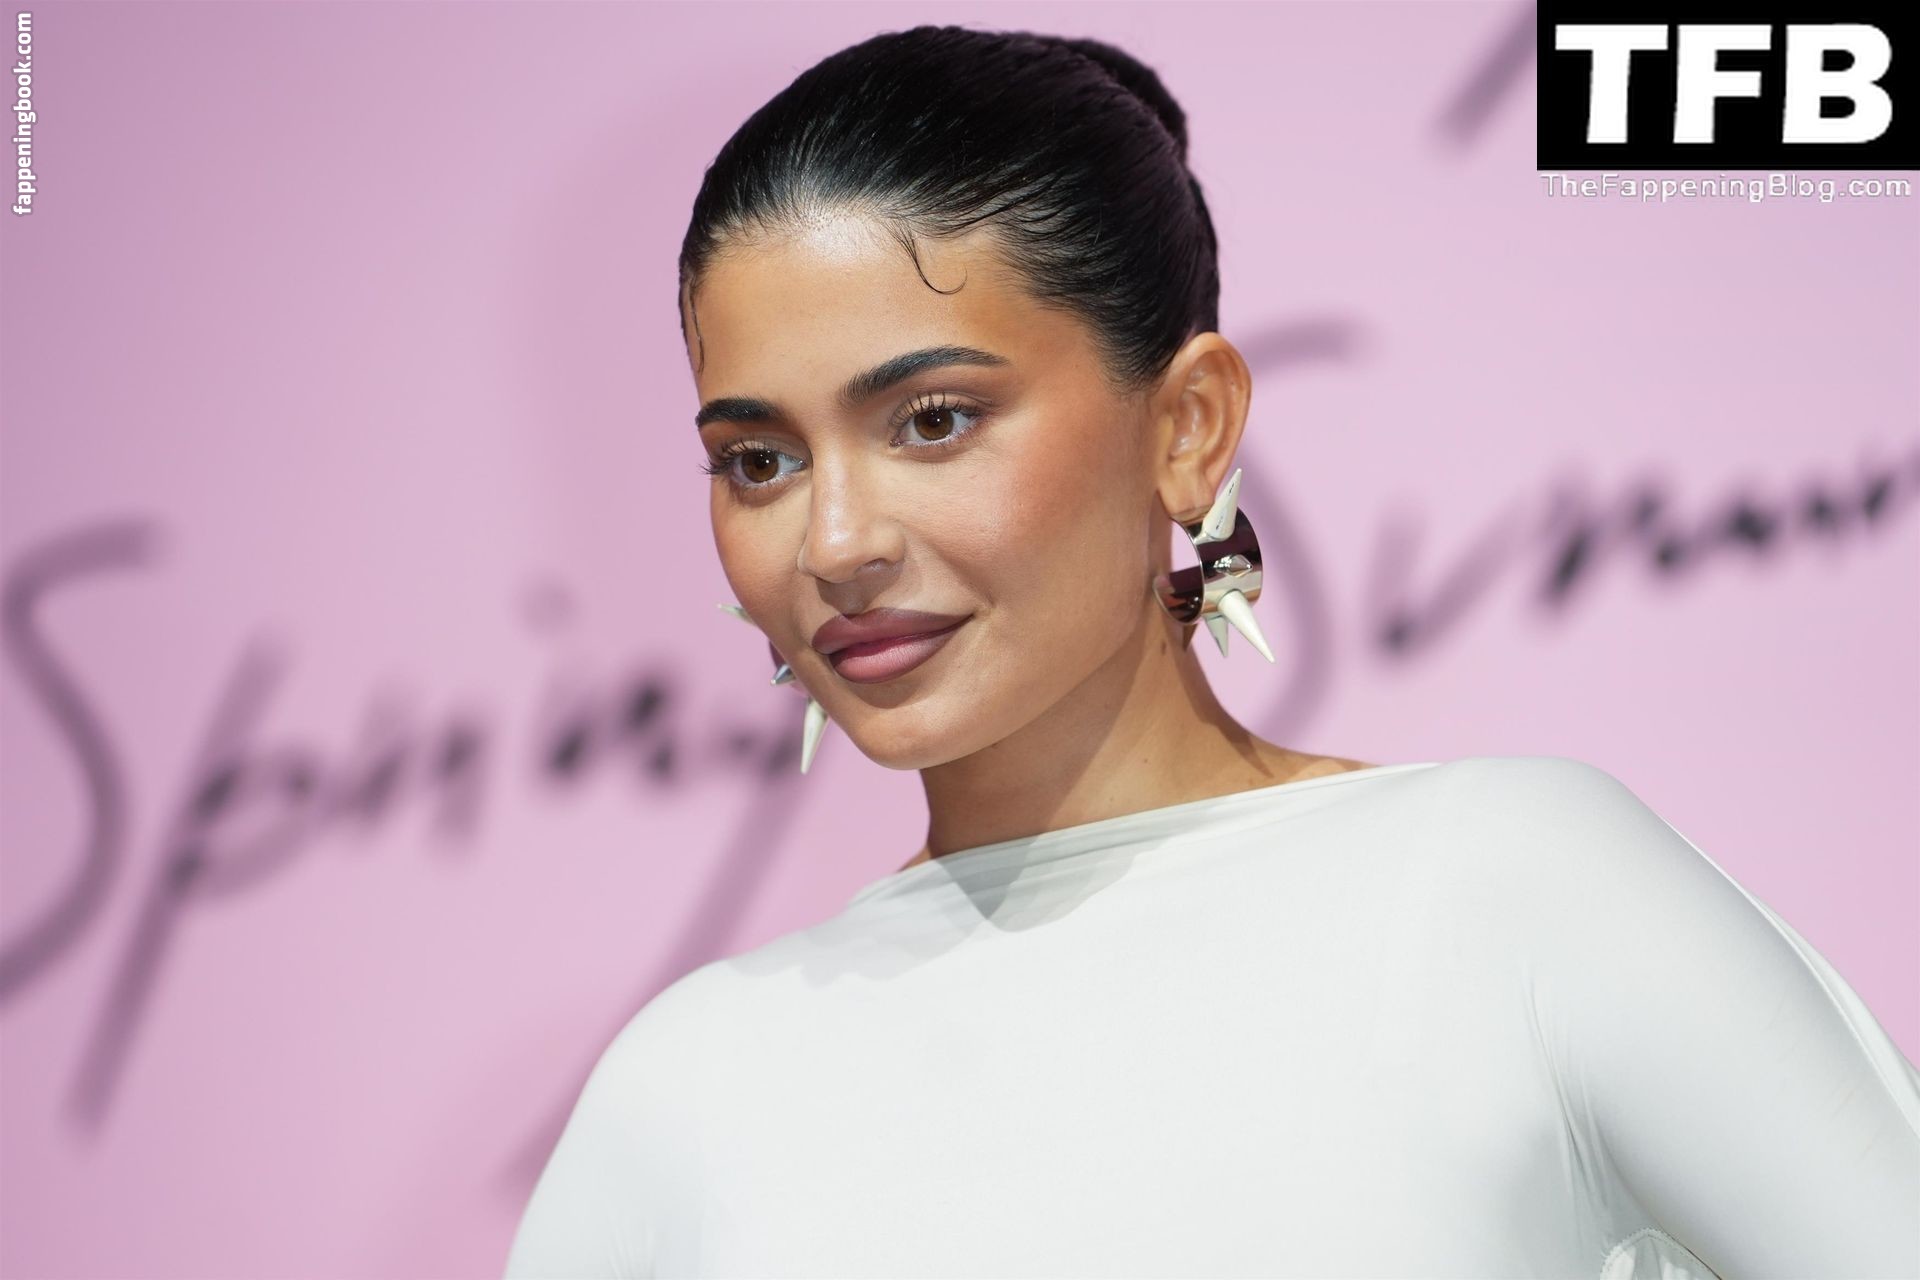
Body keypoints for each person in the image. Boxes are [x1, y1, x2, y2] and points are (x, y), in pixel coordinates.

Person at [504, 25, 1920, 1279]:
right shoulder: (684, 1095)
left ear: (1189, 427)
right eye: (758, 460)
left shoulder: (1515, 894)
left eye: (933, 421)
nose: (834, 541)